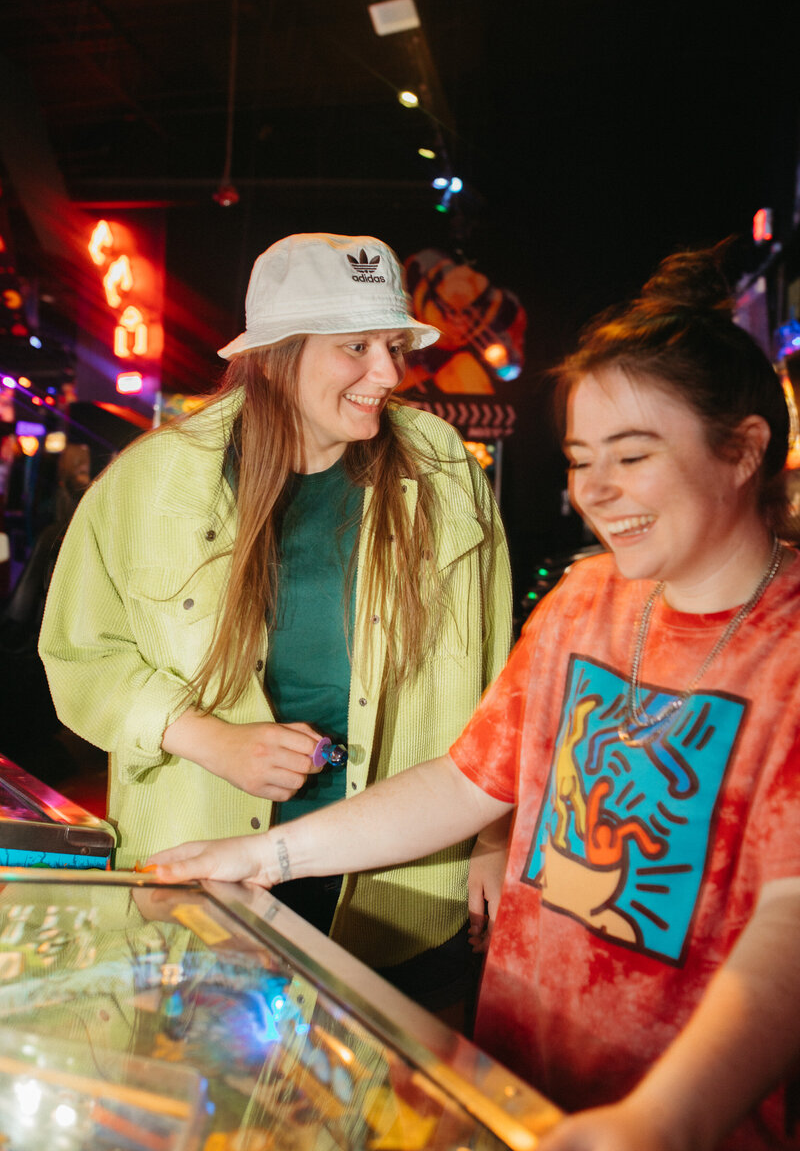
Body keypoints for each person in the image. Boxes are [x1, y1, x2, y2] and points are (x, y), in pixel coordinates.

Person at [151, 245, 800, 1151]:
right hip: (509, 1089)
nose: (595, 493)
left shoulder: (786, 653)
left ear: (742, 451)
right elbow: (466, 782)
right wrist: (268, 856)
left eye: (633, 455)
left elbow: (790, 921)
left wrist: (668, 1116)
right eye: (580, 459)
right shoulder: (584, 603)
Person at [39, 232, 513, 1017]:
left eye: (392, 345)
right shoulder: (152, 481)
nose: (389, 373)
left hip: (402, 890)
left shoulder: (442, 468)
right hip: (204, 882)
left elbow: (502, 675)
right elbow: (79, 656)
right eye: (356, 346)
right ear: (274, 354)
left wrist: (495, 839)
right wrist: (205, 735)